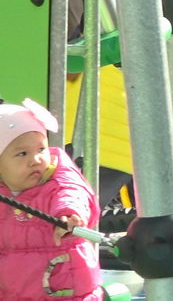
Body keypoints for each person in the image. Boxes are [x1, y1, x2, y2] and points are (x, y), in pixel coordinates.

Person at [0, 99, 102, 300]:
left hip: (64, 292)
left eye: (41, 149)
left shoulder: (56, 181)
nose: (36, 160)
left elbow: (72, 193)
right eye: (22, 154)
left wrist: (69, 215)